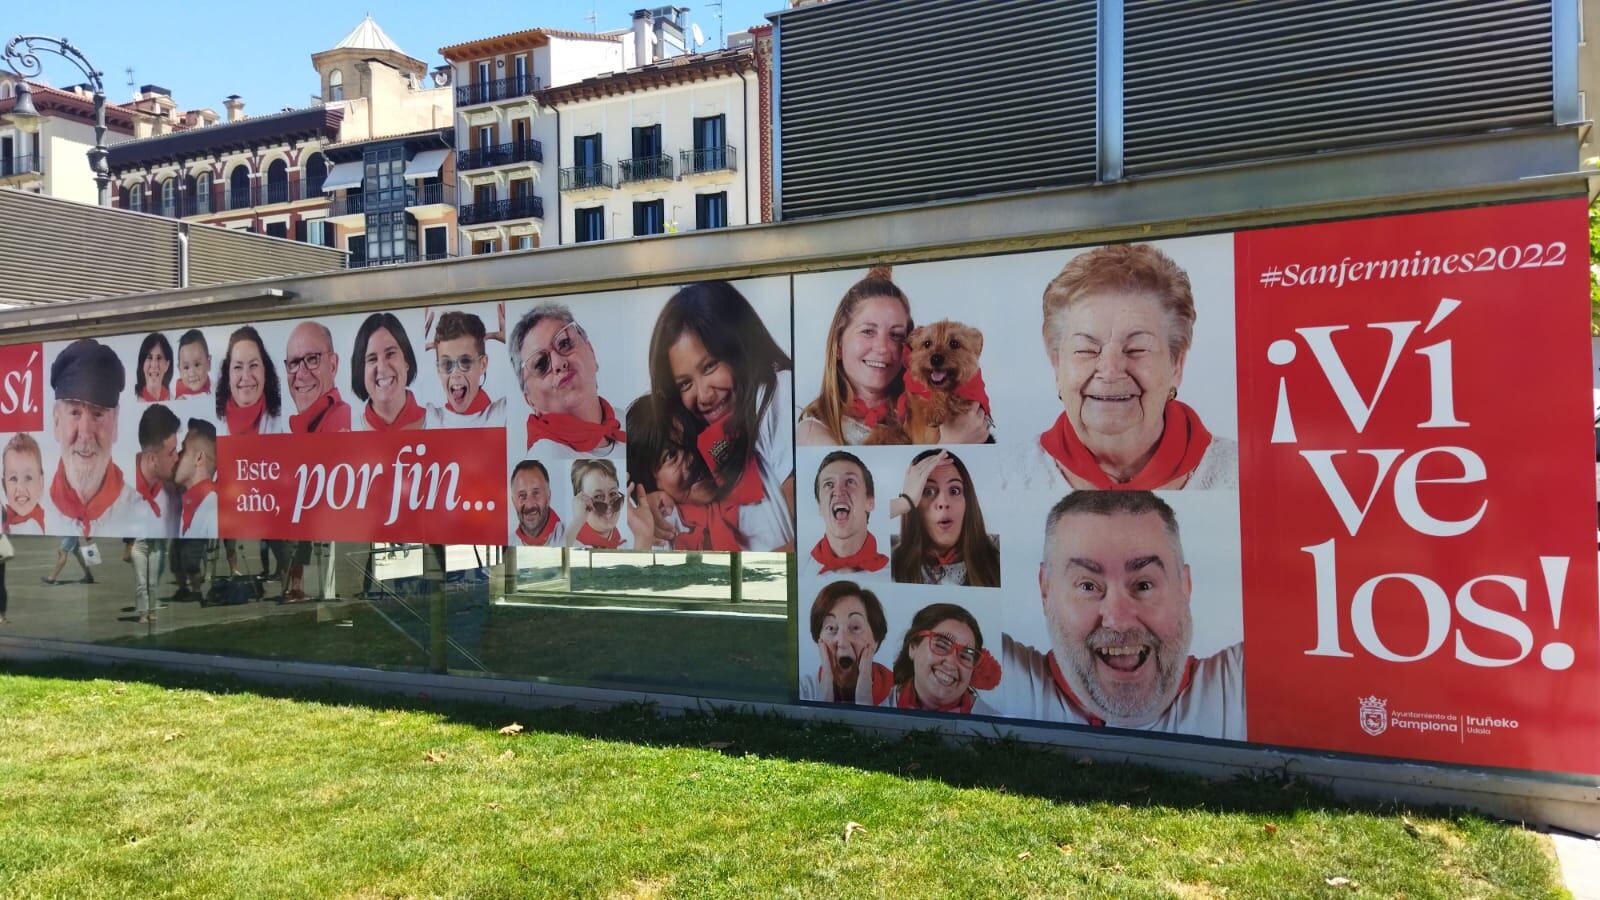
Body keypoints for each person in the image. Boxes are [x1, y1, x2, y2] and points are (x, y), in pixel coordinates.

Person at [999, 490, 1244, 739]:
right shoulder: (998, 677)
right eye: (1087, 586)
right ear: (1046, 590)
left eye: (1143, 585)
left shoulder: (1240, 686)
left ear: (1185, 586)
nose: (1119, 622)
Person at [1027, 243, 1236, 491]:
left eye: (1137, 349)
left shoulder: (1241, 473)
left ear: (1176, 364)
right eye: (1086, 350)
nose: (1110, 370)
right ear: (1057, 364)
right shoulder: (1007, 475)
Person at [647, 281, 795, 551]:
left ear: (740, 347)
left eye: (710, 366)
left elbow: (810, 536)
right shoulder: (707, 443)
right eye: (684, 384)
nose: (703, 395)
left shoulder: (775, 394)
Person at [797, 266, 989, 446]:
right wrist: (955, 444)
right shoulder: (814, 431)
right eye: (868, 331)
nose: (882, 348)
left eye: (896, 335)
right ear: (838, 344)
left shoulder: (918, 409)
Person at [44, 339, 138, 537]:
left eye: (98, 414)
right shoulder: (38, 512)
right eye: (75, 412)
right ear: (56, 421)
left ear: (116, 423)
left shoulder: (139, 511)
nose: (85, 434)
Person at [511, 302, 623, 456]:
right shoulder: (545, 454)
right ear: (530, 401)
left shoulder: (627, 421)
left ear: (591, 352)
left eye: (564, 343)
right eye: (541, 364)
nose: (558, 363)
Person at [888, 449, 1000, 587]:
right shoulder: (890, 562)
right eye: (928, 491)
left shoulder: (999, 558)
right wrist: (905, 501)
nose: (944, 502)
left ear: (968, 501)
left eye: (954, 491)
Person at [887, 603, 1002, 714]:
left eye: (965, 656)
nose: (951, 663)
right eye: (941, 645)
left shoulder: (996, 726)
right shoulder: (877, 703)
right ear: (913, 647)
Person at [798, 581, 893, 705]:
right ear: (818, 639)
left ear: (876, 640)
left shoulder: (896, 693)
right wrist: (825, 693)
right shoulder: (803, 689)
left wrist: (864, 700)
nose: (842, 642)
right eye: (831, 628)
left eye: (855, 628)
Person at [807, 450, 888, 578]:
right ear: (820, 506)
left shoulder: (897, 573)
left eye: (850, 481)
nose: (838, 491)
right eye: (829, 484)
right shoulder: (794, 570)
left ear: (870, 502)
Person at [425, 309, 505, 427]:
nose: (456, 373)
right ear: (438, 369)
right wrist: (414, 344)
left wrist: (513, 337)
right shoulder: (429, 418)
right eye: (446, 364)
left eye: (465, 361)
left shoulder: (502, 414)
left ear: (483, 364)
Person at [351, 313, 426, 431]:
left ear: (406, 360)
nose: (382, 368)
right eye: (372, 359)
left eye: (390, 354)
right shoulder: (347, 433)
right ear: (361, 371)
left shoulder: (439, 422)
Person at [216, 326, 285, 436]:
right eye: (238, 367)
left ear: (265, 370)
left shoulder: (284, 421)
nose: (246, 376)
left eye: (253, 365)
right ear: (227, 374)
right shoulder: (213, 422)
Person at [283, 322, 352, 433]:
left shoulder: (341, 423)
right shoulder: (304, 429)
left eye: (312, 359)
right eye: (294, 363)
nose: (300, 375)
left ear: (332, 365)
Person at [129, 404, 182, 538]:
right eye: (171, 453)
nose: (177, 457)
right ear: (152, 459)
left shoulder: (172, 490)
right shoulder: (123, 493)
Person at [175, 419, 219, 538]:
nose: (176, 456)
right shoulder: (190, 504)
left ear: (199, 458)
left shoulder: (213, 508)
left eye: (183, 450)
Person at [567, 459, 625, 549]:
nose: (609, 505)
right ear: (581, 501)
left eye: (613, 494)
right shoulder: (571, 544)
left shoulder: (625, 543)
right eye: (598, 496)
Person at [510, 460, 563, 546]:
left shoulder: (570, 537)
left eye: (536, 493)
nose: (529, 504)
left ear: (548, 496)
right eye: (522, 495)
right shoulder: (509, 542)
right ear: (513, 501)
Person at [2, 433, 47, 536]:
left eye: (28, 478)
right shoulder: (7, 518)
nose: (20, 488)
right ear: (4, 485)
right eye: (13, 478)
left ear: (41, 482)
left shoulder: (32, 526)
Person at [133, 332, 174, 402]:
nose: (154, 365)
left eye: (159, 358)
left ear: (167, 365)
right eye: (149, 357)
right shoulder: (132, 404)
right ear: (142, 363)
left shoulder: (177, 401)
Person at [174, 329, 212, 398]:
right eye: (186, 367)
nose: (192, 373)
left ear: (208, 363)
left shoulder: (216, 392)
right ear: (179, 369)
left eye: (197, 365)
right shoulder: (174, 399)